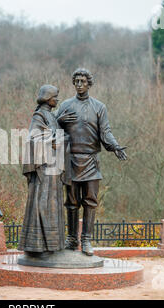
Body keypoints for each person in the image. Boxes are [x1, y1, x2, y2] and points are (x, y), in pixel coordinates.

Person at [56, 68, 127, 256]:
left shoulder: (99, 107)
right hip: (70, 160)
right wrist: (57, 120)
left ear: (89, 83)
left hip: (91, 160)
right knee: (71, 202)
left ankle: (86, 239)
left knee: (90, 201)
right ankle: (72, 238)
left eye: (83, 81)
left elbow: (105, 132)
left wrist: (115, 146)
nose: (79, 84)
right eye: (76, 81)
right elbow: (47, 130)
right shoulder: (65, 105)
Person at [18, 85, 66, 256]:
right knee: (41, 204)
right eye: (55, 96)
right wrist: (51, 141)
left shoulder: (51, 116)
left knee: (52, 205)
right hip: (43, 170)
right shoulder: (39, 116)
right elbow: (33, 140)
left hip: (53, 169)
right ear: (47, 98)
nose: (57, 99)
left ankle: (51, 245)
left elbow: (56, 137)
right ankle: (37, 246)